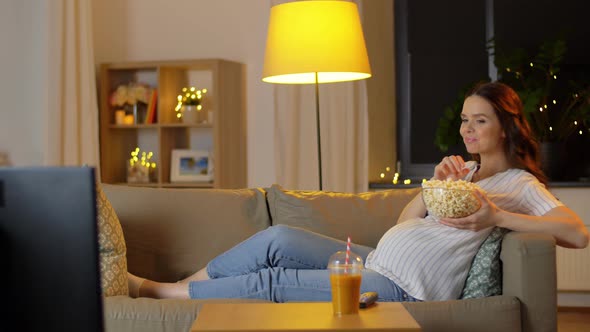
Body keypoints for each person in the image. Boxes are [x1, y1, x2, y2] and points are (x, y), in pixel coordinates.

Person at [128, 81, 588, 302]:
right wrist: (435, 187)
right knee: (278, 238)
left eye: (479, 120)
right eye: (465, 119)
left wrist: (496, 217)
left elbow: (576, 232)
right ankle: (178, 289)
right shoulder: (464, 171)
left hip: (405, 287)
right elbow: (405, 224)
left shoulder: (518, 184)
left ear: (506, 128)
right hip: (379, 260)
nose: (466, 129)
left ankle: (162, 296)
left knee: (274, 282)